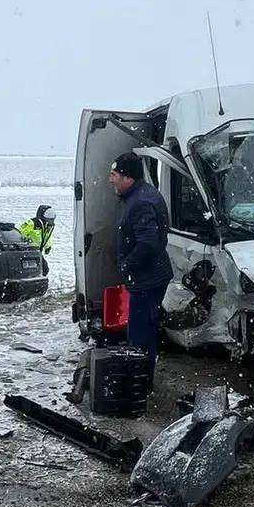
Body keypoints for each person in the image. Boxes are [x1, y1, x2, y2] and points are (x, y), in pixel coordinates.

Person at [109, 152, 173, 370]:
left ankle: (140, 379)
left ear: (129, 179)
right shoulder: (145, 194)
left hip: (147, 279)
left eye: (114, 174)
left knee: (140, 333)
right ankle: (143, 371)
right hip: (154, 274)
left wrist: (127, 264)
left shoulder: (140, 203)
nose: (111, 180)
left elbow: (147, 243)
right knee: (147, 325)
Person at [18, 204, 57, 275]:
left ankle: (38, 280)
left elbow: (47, 237)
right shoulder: (32, 223)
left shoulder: (48, 227)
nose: (50, 219)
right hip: (28, 250)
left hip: (38, 251)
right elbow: (19, 232)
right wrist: (25, 241)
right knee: (37, 269)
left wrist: (48, 247)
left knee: (44, 269)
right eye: (48, 216)